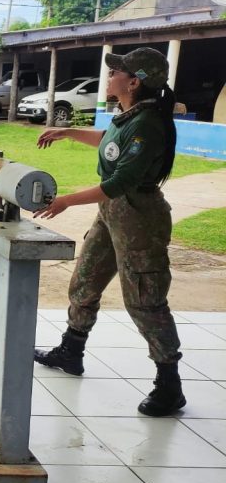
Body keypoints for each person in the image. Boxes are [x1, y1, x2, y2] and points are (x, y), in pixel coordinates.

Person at [32, 47, 185, 417]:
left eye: (118, 70)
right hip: (112, 212)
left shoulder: (148, 124)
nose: (111, 74)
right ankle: (72, 350)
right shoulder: (129, 116)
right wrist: (68, 132)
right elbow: (109, 140)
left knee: (145, 301)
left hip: (138, 219)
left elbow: (122, 180)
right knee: (85, 281)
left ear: (134, 82)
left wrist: (66, 200)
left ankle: (169, 384)